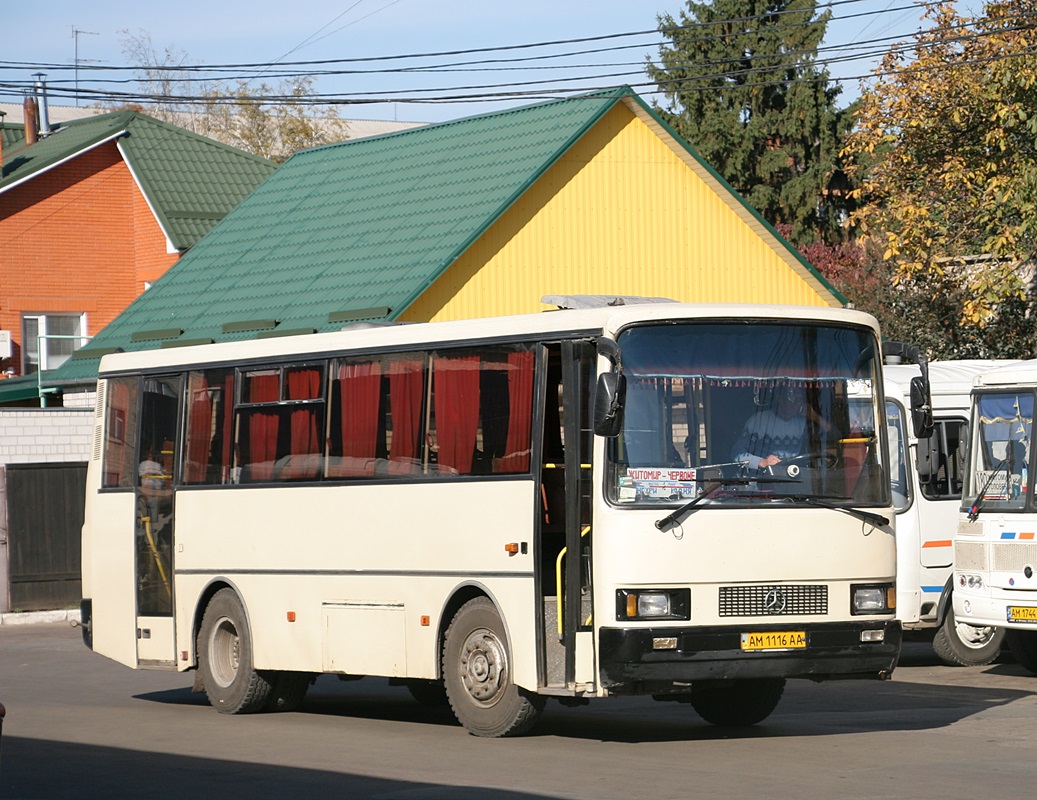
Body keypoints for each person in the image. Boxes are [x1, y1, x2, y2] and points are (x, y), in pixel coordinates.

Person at [732, 384, 807, 471]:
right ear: (779, 398)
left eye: (800, 400)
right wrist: (763, 462)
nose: (797, 403)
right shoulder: (759, 421)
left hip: (794, 478)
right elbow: (737, 453)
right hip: (762, 480)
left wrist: (813, 415)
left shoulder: (802, 423)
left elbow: (825, 437)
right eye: (793, 398)